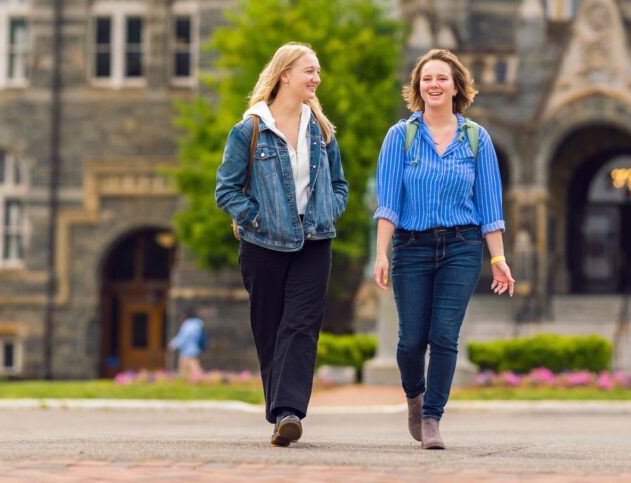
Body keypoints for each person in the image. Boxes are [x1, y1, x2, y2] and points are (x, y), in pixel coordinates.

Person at [372, 48, 515, 450]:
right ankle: (415, 398)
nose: (434, 85)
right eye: (426, 79)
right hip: (412, 246)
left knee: (445, 336)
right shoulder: (400, 136)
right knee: (411, 340)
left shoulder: (476, 138)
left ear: (456, 87)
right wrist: (382, 253)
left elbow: (490, 206)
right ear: (418, 87)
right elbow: (388, 203)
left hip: (461, 247)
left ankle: (433, 418)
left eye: (442, 78)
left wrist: (499, 259)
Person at [215, 42, 348, 447]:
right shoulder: (250, 130)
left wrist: (328, 210)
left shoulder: (321, 131)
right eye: (309, 70)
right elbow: (226, 191)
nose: (316, 78)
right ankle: (279, 413)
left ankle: (289, 412)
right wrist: (255, 216)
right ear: (285, 74)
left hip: (314, 243)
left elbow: (339, 185)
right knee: (269, 328)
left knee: (301, 326)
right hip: (262, 246)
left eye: (318, 72)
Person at [169, 309, 206, 378]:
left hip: (187, 350)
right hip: (195, 349)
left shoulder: (188, 325)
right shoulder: (197, 324)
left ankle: (197, 380)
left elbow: (184, 337)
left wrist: (174, 344)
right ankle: (197, 380)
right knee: (193, 367)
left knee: (186, 369)